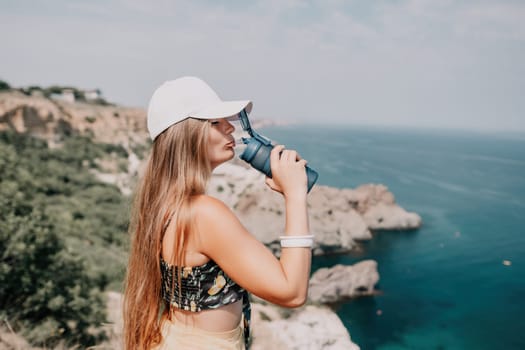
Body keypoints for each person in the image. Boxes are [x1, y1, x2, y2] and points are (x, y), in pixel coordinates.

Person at [123, 76, 312, 350]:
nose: (229, 127)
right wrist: (295, 197)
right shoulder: (203, 213)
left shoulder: (164, 204)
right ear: (185, 134)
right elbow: (291, 293)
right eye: (215, 122)